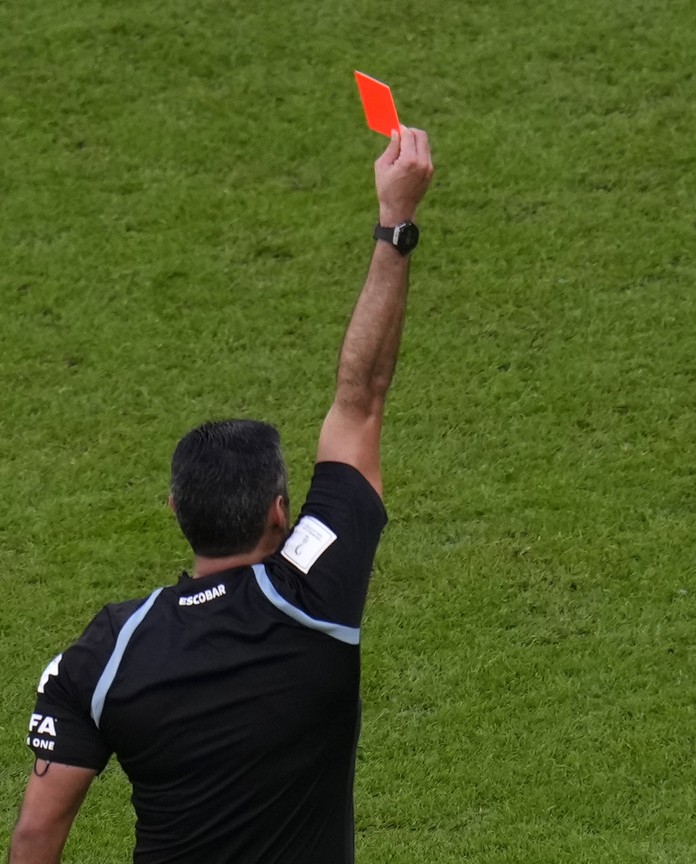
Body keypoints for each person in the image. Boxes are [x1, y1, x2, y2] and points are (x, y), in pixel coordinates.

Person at [8, 127, 434, 864]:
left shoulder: (105, 653)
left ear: (176, 512)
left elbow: (36, 836)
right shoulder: (314, 594)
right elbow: (360, 398)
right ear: (279, 511)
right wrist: (395, 224)